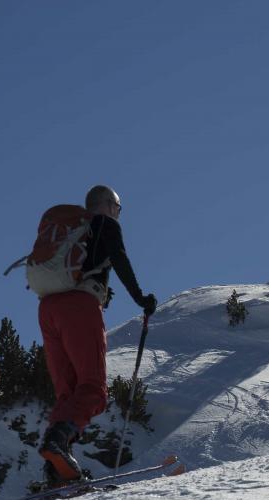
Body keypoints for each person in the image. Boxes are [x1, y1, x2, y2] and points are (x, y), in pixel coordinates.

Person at [38, 185, 157, 482]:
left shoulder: (71, 231)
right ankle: (57, 444)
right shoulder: (105, 224)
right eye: (118, 206)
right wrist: (141, 298)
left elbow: (85, 265)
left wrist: (102, 289)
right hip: (80, 306)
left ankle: (55, 469)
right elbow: (119, 259)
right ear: (106, 205)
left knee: (68, 392)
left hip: (48, 308)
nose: (119, 212)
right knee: (93, 390)